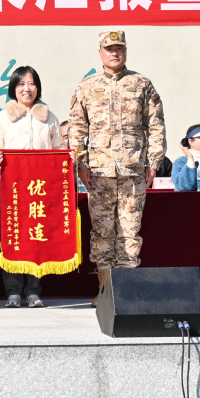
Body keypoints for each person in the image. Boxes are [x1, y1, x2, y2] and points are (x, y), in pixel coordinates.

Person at [68, 31, 166, 307]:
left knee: (129, 232)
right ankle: (105, 292)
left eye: (119, 48)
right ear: (100, 52)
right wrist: (81, 163)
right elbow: (77, 127)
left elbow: (156, 124)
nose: (115, 53)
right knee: (102, 233)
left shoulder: (141, 84)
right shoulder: (87, 86)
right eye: (109, 49)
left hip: (133, 171)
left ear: (126, 51)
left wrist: (153, 161)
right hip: (98, 172)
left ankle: (126, 292)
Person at [0, 66, 65, 308]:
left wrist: (66, 158)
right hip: (13, 189)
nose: (26, 88)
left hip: (41, 189)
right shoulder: (3, 117)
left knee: (37, 237)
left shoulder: (49, 117)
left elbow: (59, 150)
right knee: (13, 237)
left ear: (37, 87)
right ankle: (13, 291)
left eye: (31, 83)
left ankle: (32, 290)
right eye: (21, 84)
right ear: (14, 88)